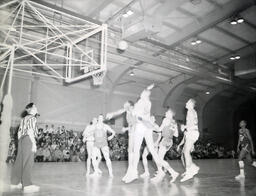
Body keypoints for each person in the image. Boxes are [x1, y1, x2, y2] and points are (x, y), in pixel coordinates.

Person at [124, 84, 179, 184]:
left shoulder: (143, 102)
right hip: (148, 128)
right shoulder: (146, 102)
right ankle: (170, 172)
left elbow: (139, 116)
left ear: (145, 95)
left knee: (136, 150)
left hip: (142, 127)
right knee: (153, 153)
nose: (141, 93)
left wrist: (135, 113)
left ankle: (134, 173)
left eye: (143, 93)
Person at [10, 103, 40, 193]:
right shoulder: (33, 118)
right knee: (28, 161)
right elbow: (30, 130)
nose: (37, 108)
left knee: (19, 161)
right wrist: (33, 143)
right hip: (28, 139)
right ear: (32, 109)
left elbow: (19, 133)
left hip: (21, 140)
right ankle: (27, 184)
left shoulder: (24, 119)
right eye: (35, 107)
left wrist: (20, 142)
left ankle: (14, 183)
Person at [106, 101, 135, 181]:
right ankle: (130, 172)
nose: (124, 105)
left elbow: (136, 124)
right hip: (131, 133)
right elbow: (120, 111)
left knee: (132, 153)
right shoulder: (127, 111)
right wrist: (112, 114)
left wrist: (126, 128)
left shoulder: (133, 112)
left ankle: (132, 173)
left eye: (126, 104)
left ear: (130, 106)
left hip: (135, 133)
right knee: (130, 152)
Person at [150, 109, 179, 183]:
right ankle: (161, 174)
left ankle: (173, 172)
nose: (165, 113)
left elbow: (159, 129)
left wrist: (151, 127)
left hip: (165, 141)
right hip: (170, 141)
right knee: (160, 159)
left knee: (159, 159)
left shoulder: (166, 120)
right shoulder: (174, 123)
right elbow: (176, 135)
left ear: (170, 114)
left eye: (167, 112)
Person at [177, 98, 200, 182]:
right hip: (192, 133)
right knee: (186, 152)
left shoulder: (190, 111)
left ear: (191, 104)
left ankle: (189, 172)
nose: (186, 103)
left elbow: (190, 124)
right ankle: (192, 168)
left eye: (188, 102)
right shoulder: (193, 111)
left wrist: (184, 127)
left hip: (192, 132)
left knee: (186, 152)